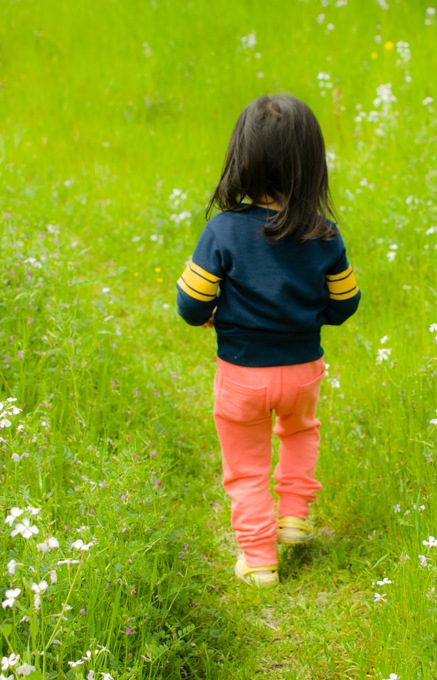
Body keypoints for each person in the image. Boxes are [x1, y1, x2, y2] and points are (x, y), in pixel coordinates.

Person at [176, 95, 360, 587]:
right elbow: (345, 304)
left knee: (246, 466)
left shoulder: (222, 231)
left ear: (243, 160)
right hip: (302, 371)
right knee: (300, 432)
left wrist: (212, 312)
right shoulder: (325, 234)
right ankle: (295, 514)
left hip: (241, 375)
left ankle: (259, 559)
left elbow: (191, 304)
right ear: (311, 165)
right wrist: (306, 316)